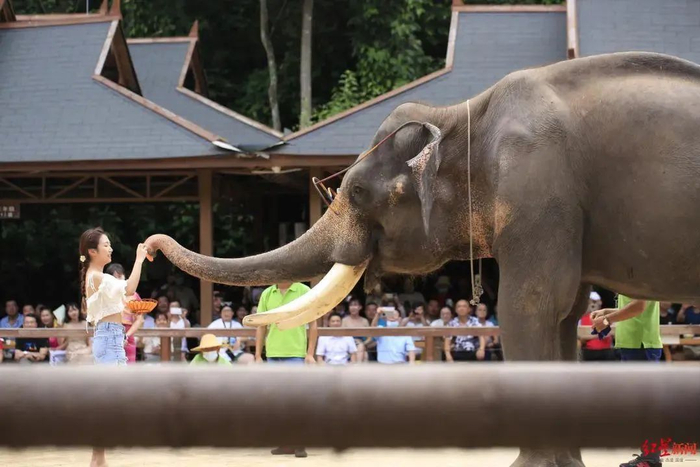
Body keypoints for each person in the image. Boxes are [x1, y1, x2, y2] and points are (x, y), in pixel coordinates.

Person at [80, 227, 147, 467]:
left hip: (110, 337)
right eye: (106, 245)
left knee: (107, 402)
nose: (110, 249)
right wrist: (139, 259)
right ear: (92, 251)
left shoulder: (95, 276)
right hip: (109, 338)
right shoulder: (97, 276)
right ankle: (97, 458)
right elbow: (129, 289)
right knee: (110, 402)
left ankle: (98, 459)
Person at [591, 294, 662, 467]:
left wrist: (607, 319)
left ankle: (650, 458)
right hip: (634, 344)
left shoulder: (641, 277)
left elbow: (639, 306)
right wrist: (608, 312)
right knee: (640, 405)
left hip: (640, 344)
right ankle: (649, 456)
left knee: (645, 405)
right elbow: (635, 307)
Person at [255, 281, 317, 459]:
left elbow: (313, 324)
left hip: (296, 353)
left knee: (296, 400)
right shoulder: (267, 293)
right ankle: (285, 443)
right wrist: (258, 355)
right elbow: (261, 325)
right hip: (273, 354)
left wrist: (310, 353)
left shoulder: (303, 290)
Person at [106, 263, 145, 364]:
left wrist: (126, 336)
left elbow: (139, 319)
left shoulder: (133, 295)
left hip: (128, 335)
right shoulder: (105, 295)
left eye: (120, 276)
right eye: (114, 278)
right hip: (109, 335)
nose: (117, 280)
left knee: (129, 368)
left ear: (124, 276)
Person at [579, 291, 615, 361]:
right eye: (590, 302)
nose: (592, 305)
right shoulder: (580, 319)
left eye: (595, 302)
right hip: (589, 352)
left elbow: (612, 332)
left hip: (606, 352)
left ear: (600, 302)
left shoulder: (607, 316)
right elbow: (580, 338)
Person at [341, 298, 370, 362]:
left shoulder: (364, 321)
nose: (353, 307)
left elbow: (369, 337)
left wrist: (363, 343)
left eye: (355, 305)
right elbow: (342, 335)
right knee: (363, 353)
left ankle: (357, 366)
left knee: (364, 353)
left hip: (361, 344)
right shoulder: (344, 320)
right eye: (351, 305)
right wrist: (351, 342)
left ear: (360, 307)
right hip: (348, 346)